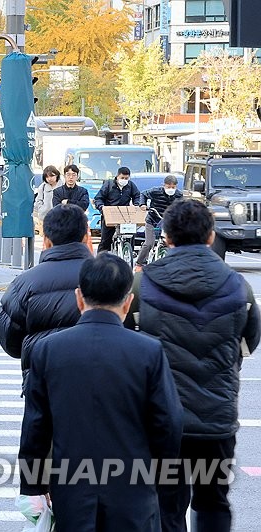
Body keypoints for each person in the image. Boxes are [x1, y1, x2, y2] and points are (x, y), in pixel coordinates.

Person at [19, 252, 182, 531]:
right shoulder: (148, 351)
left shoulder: (48, 350)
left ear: (79, 298)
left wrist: (33, 485)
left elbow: (36, 426)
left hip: (71, 489)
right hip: (132, 488)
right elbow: (168, 424)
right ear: (128, 302)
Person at [124, 200, 261, 531]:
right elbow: (249, 340)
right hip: (216, 418)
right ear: (211, 236)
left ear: (166, 237)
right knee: (213, 502)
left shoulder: (144, 285)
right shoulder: (237, 286)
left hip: (159, 420)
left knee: (164, 504)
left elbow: (126, 342)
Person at [0, 204, 91, 378]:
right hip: (99, 378)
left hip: (42, 378)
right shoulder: (107, 275)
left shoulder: (24, 283)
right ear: (85, 237)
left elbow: (9, 339)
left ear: (46, 240)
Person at [93, 166, 145, 253]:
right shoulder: (108, 185)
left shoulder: (130, 185)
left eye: (126, 178)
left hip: (125, 215)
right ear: (117, 176)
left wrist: (137, 205)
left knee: (130, 236)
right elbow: (98, 198)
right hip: (110, 215)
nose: (124, 180)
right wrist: (102, 207)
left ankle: (129, 253)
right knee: (105, 240)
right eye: (122, 178)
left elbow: (137, 196)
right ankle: (100, 259)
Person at [136, 174, 180, 269]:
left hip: (167, 222)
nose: (171, 189)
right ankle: (139, 263)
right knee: (149, 243)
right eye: (169, 187)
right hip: (152, 220)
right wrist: (142, 204)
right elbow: (143, 194)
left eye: (173, 187)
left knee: (171, 243)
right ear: (164, 185)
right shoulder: (156, 191)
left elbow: (182, 206)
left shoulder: (178, 195)